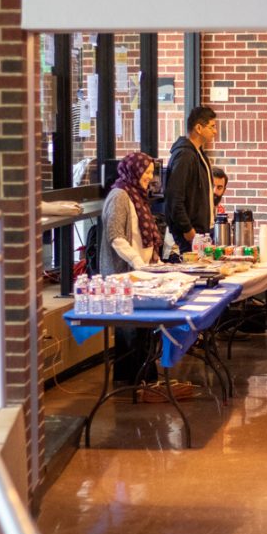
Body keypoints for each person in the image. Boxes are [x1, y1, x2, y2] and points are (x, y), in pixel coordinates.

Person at [100, 152, 162, 384]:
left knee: (143, 327)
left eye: (150, 173)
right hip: (124, 273)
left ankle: (145, 377)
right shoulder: (119, 196)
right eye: (146, 172)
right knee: (129, 329)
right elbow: (116, 236)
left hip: (142, 271)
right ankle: (131, 381)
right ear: (133, 171)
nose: (149, 177)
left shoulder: (137, 195)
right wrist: (137, 261)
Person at [165, 106, 218, 253]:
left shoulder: (198, 153)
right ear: (199, 128)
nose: (215, 131)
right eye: (212, 127)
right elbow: (174, 197)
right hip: (190, 233)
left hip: (202, 231)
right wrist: (187, 229)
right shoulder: (185, 156)